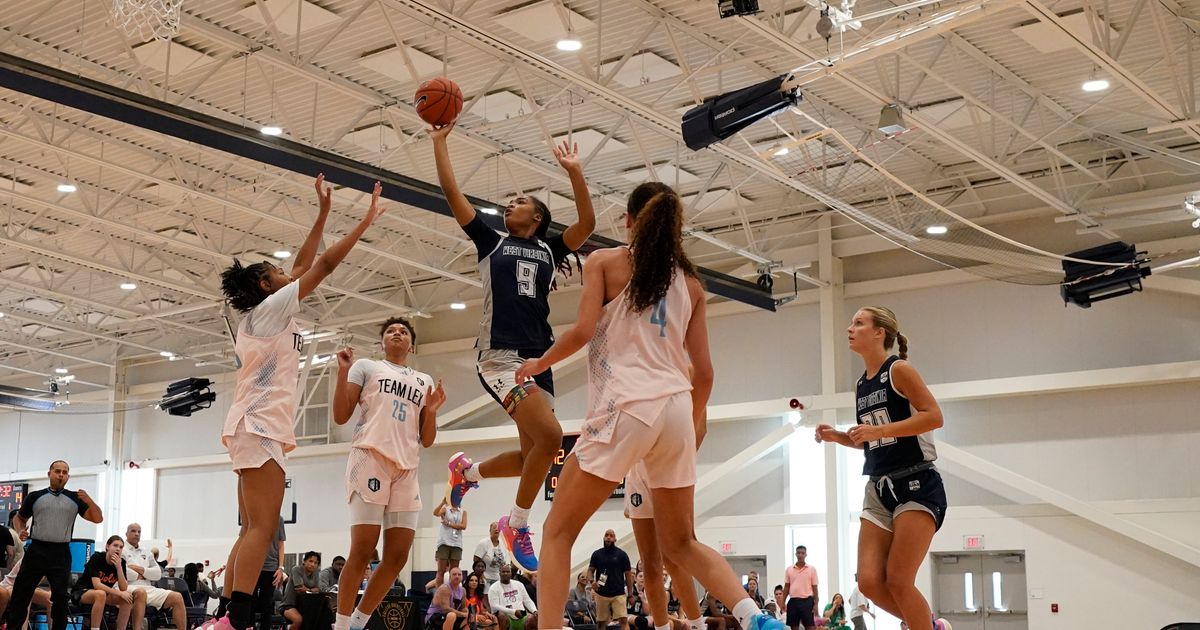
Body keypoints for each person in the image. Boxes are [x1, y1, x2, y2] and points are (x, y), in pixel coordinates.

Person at [517, 182, 781, 630]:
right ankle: (756, 617)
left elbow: (582, 333)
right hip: (677, 408)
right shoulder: (692, 284)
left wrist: (540, 361)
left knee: (557, 532)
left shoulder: (604, 262)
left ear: (628, 219)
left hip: (627, 403)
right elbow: (706, 373)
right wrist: (695, 424)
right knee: (682, 543)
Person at [205, 176, 386, 630]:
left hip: (253, 425)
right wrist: (363, 222)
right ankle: (236, 618)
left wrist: (323, 212)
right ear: (268, 284)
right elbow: (321, 264)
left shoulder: (268, 311)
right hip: (260, 425)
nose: (291, 275)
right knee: (263, 530)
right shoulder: (269, 312)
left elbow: (304, 263)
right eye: (280, 273)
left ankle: (226, 615)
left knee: (251, 529)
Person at [431, 121, 596, 573]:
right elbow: (453, 196)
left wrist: (575, 172)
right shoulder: (491, 241)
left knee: (532, 457)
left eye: (520, 201)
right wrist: (439, 144)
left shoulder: (551, 249)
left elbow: (587, 223)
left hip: (538, 359)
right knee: (548, 439)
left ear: (538, 218)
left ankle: (467, 473)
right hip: (501, 355)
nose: (510, 204)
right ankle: (517, 524)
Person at [815, 306, 951, 630]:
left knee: (899, 580)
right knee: (869, 582)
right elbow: (872, 440)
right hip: (878, 486)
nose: (850, 328)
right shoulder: (862, 384)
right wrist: (837, 436)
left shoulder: (899, 370)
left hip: (916, 481)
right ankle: (928, 625)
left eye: (858, 323)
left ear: (879, 333)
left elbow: (934, 416)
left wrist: (878, 431)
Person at [331, 316, 444, 630]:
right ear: (382, 342)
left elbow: (428, 439)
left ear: (411, 343)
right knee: (363, 549)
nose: (397, 333)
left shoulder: (424, 380)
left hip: (407, 467)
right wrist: (342, 373)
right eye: (391, 331)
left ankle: (358, 622)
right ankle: (340, 625)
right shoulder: (366, 367)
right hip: (371, 457)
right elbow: (341, 415)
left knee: (397, 557)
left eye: (403, 331)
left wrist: (432, 411)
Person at [5, 460, 103, 630]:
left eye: (64, 472)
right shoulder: (35, 496)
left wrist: (90, 501)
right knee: (21, 595)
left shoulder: (75, 498)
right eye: (57, 471)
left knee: (60, 599)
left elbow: (97, 518)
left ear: (68, 477)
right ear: (49, 473)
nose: (61, 475)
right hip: (36, 550)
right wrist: (21, 531)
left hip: (61, 553)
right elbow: (19, 518)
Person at [123, 523, 188, 630]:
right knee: (141, 592)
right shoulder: (121, 548)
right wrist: (145, 574)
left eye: (139, 532)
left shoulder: (146, 551)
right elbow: (124, 572)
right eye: (133, 531)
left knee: (177, 597)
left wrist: (141, 570)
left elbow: (157, 574)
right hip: (128, 587)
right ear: (126, 533)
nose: (136, 534)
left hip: (148, 588)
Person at [74, 535, 144, 630]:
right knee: (100, 594)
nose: (118, 549)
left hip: (104, 594)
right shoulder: (97, 558)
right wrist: (120, 593)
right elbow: (97, 585)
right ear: (107, 546)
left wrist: (119, 567)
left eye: (121, 547)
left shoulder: (121, 562)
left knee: (127, 598)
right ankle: (95, 629)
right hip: (83, 591)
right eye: (115, 545)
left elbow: (123, 588)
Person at [585, 530, 633, 630]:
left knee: (623, 620)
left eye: (611, 536)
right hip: (601, 594)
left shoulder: (622, 555)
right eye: (606, 535)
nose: (608, 537)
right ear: (603, 538)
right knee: (601, 622)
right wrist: (592, 581)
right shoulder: (597, 554)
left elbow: (628, 575)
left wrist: (630, 594)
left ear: (615, 539)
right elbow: (590, 570)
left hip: (618, 593)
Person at [281, 551, 321, 630]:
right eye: (310, 561)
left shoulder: (316, 573)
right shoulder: (297, 569)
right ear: (304, 561)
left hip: (306, 605)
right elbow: (299, 588)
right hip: (289, 605)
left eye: (316, 563)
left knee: (318, 619)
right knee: (298, 620)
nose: (313, 564)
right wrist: (312, 590)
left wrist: (308, 589)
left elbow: (319, 589)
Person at [488, 565, 536, 630]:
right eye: (503, 572)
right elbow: (494, 606)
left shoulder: (519, 584)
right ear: (499, 573)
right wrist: (513, 612)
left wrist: (534, 611)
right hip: (506, 616)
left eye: (508, 572)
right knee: (501, 615)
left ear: (511, 573)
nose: (505, 573)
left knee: (533, 617)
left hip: (521, 615)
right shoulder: (493, 588)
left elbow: (527, 600)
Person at [433, 499, 467, 587]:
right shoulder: (446, 509)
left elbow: (463, 526)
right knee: (441, 570)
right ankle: (439, 592)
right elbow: (435, 513)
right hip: (444, 541)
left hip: (457, 543)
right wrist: (442, 502)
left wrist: (448, 524)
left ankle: (452, 592)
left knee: (454, 571)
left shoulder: (463, 512)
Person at [783, 546, 818, 630]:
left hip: (807, 601)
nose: (800, 555)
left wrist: (816, 604)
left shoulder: (811, 569)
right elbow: (786, 587)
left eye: (802, 553)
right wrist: (782, 602)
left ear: (806, 554)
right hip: (793, 601)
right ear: (796, 554)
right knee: (794, 626)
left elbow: (815, 588)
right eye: (798, 553)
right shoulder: (789, 569)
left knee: (809, 626)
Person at [472, 523, 510, 592]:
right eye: (494, 528)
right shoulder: (483, 543)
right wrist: (480, 576)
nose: (496, 529)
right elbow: (476, 560)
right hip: (485, 577)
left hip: (498, 577)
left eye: (498, 528)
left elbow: (504, 562)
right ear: (490, 531)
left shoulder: (503, 544)